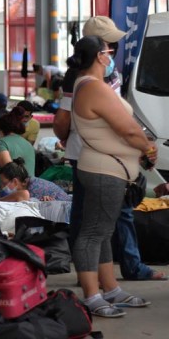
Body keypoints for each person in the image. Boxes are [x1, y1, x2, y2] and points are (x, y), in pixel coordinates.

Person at [54, 16, 165, 281]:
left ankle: (104, 278)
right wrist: (144, 147)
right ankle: (97, 278)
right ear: (96, 48)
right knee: (98, 221)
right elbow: (62, 119)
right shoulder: (81, 79)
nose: (112, 50)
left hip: (112, 156)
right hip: (97, 158)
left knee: (101, 221)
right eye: (108, 46)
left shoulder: (105, 73)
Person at [69, 35, 154, 317]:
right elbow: (127, 128)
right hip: (104, 170)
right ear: (99, 56)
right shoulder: (94, 87)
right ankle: (92, 295)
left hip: (108, 169)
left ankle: (110, 288)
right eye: (109, 51)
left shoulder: (88, 84)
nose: (111, 57)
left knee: (103, 232)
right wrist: (147, 147)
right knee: (93, 233)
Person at [0, 158, 71, 202]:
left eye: (4, 183)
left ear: (15, 181)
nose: (2, 187)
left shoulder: (34, 188)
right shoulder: (30, 183)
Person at [0, 106, 36, 177]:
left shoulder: (0, 143)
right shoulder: (28, 144)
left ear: (0, 130)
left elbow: (9, 172)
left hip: (9, 183)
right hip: (29, 183)